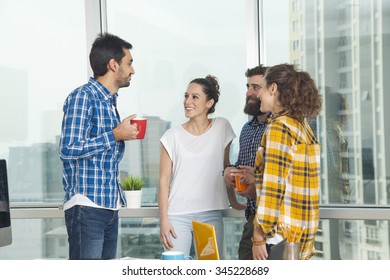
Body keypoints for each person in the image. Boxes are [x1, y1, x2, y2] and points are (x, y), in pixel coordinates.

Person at [59, 33, 138, 260]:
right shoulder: (83, 97)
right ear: (113, 65)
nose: (133, 70)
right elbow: (68, 149)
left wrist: (121, 135)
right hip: (87, 206)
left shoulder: (110, 102)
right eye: (129, 63)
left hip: (109, 206)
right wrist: (114, 135)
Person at [158, 75, 236, 259]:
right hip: (177, 215)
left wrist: (234, 202)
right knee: (174, 271)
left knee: (211, 271)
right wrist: (164, 220)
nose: (187, 101)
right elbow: (163, 181)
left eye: (195, 97)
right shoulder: (171, 136)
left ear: (209, 103)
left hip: (210, 214)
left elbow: (225, 169)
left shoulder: (222, 127)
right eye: (186, 96)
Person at [252, 63, 322, 260]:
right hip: (301, 237)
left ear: (273, 88)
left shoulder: (279, 128)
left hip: (279, 238)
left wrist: (258, 237)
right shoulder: (302, 126)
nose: (258, 95)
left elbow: (274, 187)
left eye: (261, 88)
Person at [223, 65, 269, 260]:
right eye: (248, 86)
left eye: (255, 87)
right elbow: (242, 167)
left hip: (272, 218)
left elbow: (284, 176)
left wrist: (256, 184)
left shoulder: (279, 128)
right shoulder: (247, 129)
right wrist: (228, 171)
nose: (249, 92)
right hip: (252, 216)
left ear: (270, 90)